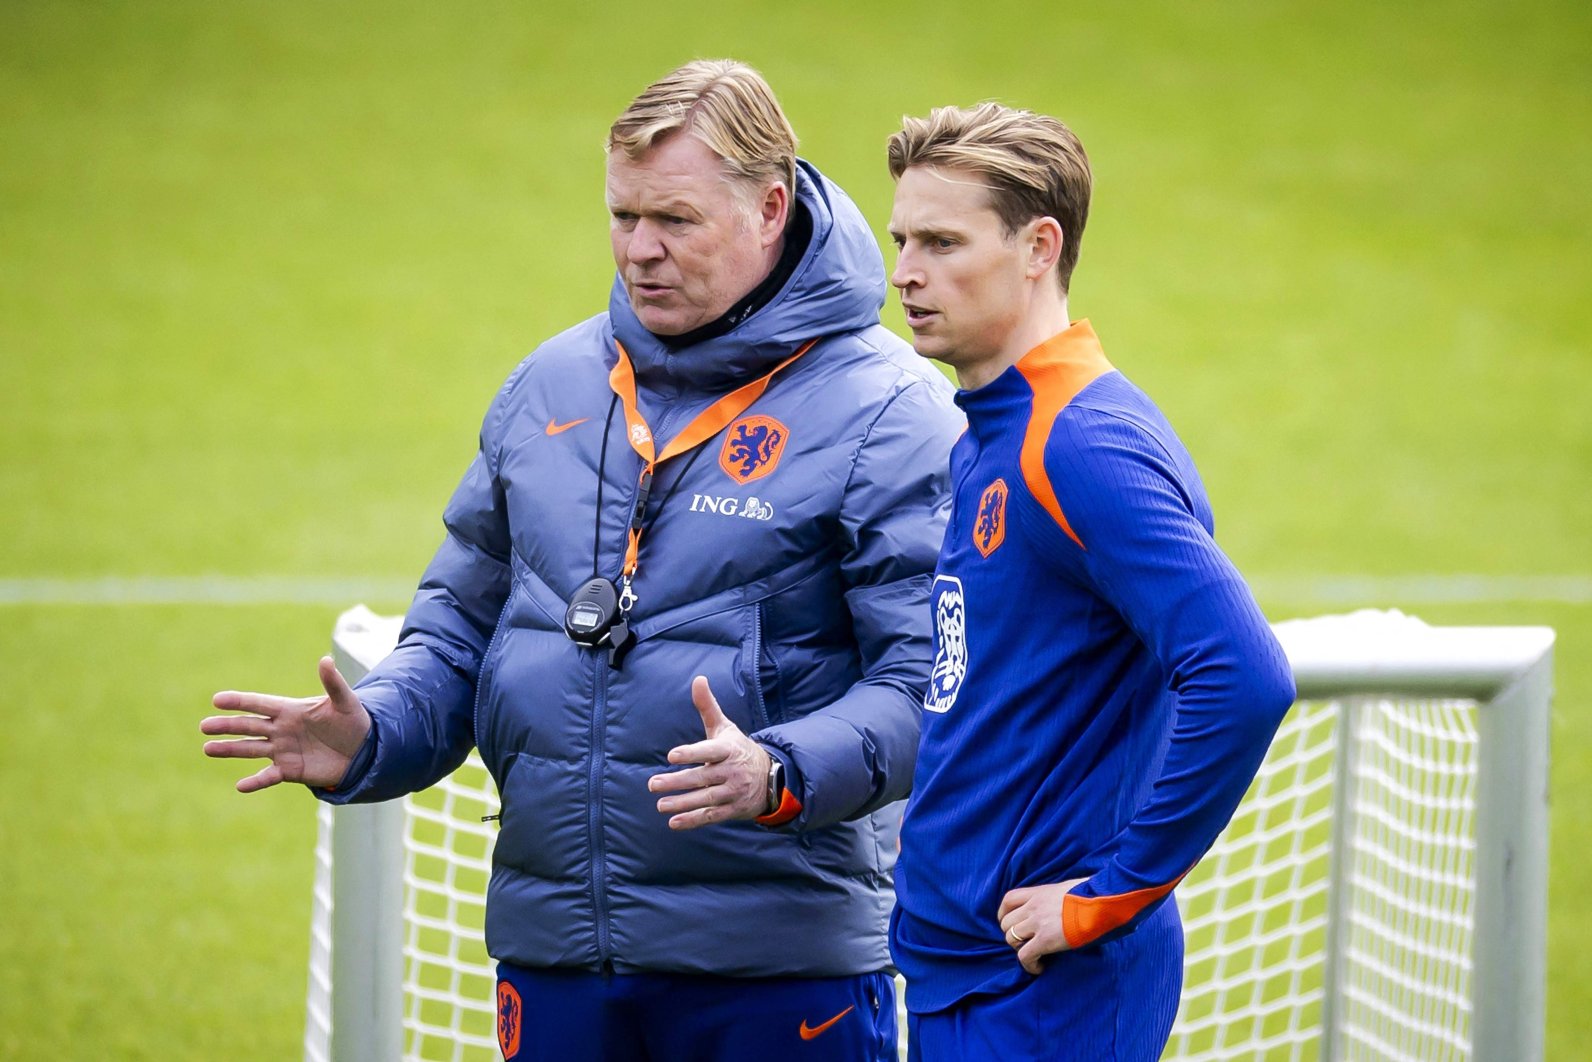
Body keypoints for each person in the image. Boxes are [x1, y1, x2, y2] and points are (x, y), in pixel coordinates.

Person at [202, 60, 962, 1062]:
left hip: (778, 973)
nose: (640, 251)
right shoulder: (549, 384)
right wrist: (379, 728)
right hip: (556, 956)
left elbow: (931, 684)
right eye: (623, 216)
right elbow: (462, 627)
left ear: (771, 207)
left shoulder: (889, 413)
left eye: (676, 221)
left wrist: (780, 770)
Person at [883, 103, 1297, 1061]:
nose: (906, 271)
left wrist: (1108, 894)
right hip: (968, 973)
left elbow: (1245, 674)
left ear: (1039, 248)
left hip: (1041, 992)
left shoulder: (1080, 446)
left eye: (944, 242)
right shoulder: (992, 433)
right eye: (903, 238)